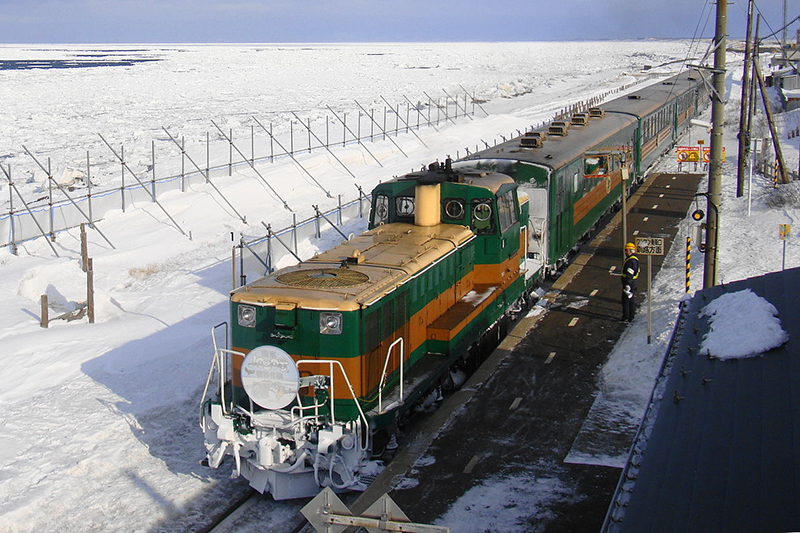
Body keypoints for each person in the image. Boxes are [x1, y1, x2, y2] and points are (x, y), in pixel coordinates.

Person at [621, 242, 640, 322]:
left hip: (629, 283)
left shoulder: (631, 261)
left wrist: (627, 285)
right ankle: (630, 316)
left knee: (626, 301)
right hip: (632, 282)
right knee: (630, 300)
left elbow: (629, 273)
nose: (625, 252)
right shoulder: (632, 259)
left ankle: (627, 316)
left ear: (631, 251)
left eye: (627, 250)